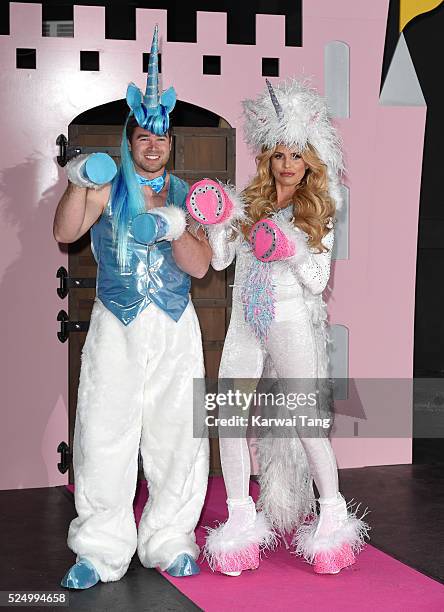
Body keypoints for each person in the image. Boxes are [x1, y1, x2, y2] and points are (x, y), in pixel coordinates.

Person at [186, 78, 369, 576]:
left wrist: (288, 246)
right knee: (227, 416)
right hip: (246, 320)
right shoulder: (250, 202)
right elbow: (223, 263)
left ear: (309, 159)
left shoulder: (319, 213)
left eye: (296, 154)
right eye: (278, 154)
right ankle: (242, 519)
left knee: (306, 423)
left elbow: (316, 280)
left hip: (289, 321)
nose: (287, 163)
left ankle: (331, 514)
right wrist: (221, 223)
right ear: (267, 157)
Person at [54, 26, 210, 589]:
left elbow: (199, 266)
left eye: (161, 138)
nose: (152, 145)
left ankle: (170, 539)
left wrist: (173, 227)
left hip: (173, 326)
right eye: (143, 136)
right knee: (103, 433)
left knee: (178, 436)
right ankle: (98, 548)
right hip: (115, 325)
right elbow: (64, 233)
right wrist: (79, 179)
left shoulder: (190, 196)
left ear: (171, 144)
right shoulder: (106, 184)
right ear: (130, 139)